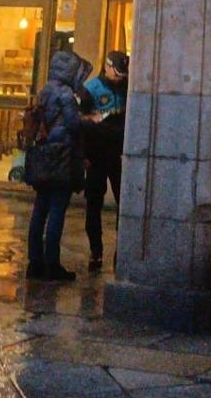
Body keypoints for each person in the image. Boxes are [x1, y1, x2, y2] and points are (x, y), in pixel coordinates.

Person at [27, 50, 92, 282]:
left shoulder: (45, 90)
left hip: (43, 157)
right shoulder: (65, 93)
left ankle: (35, 262)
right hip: (61, 158)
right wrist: (86, 120)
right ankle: (52, 264)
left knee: (40, 210)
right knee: (56, 211)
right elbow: (73, 126)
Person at [80, 51, 128, 271]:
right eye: (117, 75)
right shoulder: (91, 90)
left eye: (123, 76)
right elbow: (79, 121)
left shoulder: (128, 88)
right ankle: (95, 251)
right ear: (107, 67)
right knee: (94, 204)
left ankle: (123, 252)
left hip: (119, 157)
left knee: (124, 205)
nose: (119, 79)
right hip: (96, 156)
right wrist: (84, 155)